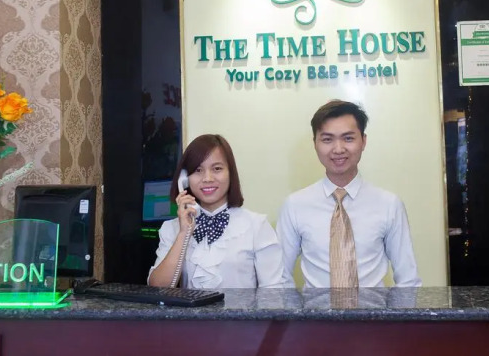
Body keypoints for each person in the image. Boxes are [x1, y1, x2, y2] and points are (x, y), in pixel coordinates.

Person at [277, 100, 421, 288]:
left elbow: (408, 280)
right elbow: (279, 275)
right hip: (315, 308)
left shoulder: (389, 204)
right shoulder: (295, 205)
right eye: (327, 139)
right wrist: (296, 308)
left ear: (363, 141)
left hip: (373, 307)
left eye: (348, 138)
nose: (338, 149)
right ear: (315, 144)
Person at [148, 134, 284, 289]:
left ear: (230, 173)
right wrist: (183, 233)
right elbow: (157, 287)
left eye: (217, 169)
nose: (207, 178)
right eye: (198, 170)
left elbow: (273, 292)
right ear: (185, 178)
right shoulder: (171, 228)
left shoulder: (256, 226)